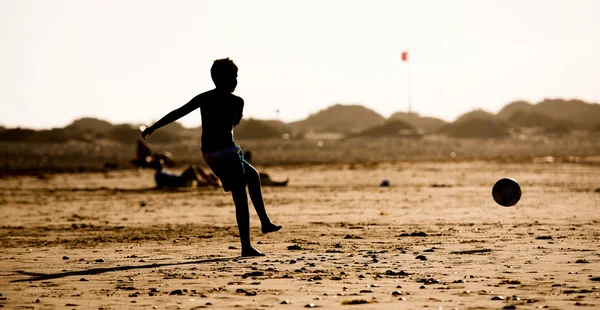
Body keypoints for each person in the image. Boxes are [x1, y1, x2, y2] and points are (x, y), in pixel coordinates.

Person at [141, 58, 281, 257]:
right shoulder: (237, 101)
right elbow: (235, 122)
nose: (236, 80)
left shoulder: (205, 98)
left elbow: (178, 112)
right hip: (226, 152)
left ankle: (265, 222)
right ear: (221, 79)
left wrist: (154, 126)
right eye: (233, 77)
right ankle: (247, 246)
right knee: (240, 196)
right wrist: (155, 126)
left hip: (210, 153)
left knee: (253, 175)